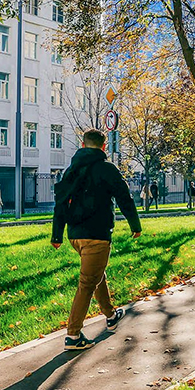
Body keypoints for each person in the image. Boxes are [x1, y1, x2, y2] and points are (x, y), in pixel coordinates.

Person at [51, 129, 142, 351]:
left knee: (96, 273)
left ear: (83, 144)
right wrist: (135, 226)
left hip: (75, 236)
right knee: (87, 283)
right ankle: (73, 336)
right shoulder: (107, 169)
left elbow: (60, 202)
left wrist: (57, 234)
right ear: (103, 147)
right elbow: (124, 198)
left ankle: (111, 315)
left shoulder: (71, 170)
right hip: (97, 235)